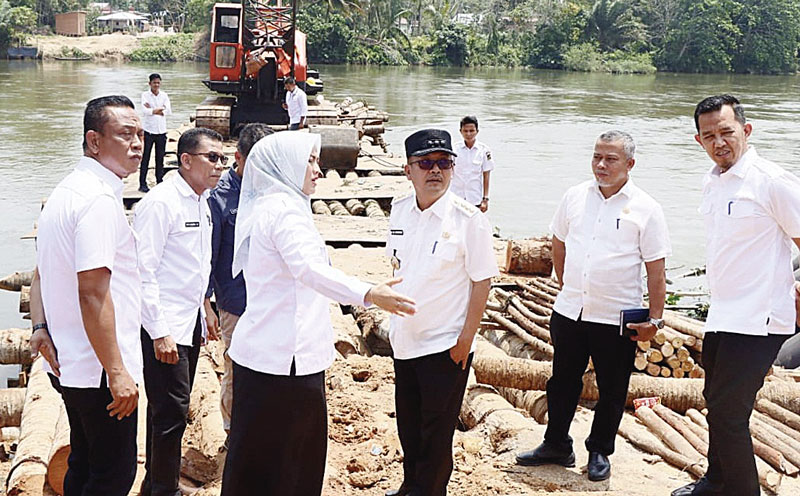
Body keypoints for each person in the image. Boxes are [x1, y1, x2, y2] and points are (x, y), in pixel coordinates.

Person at [220, 132, 415, 496]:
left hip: (264, 354)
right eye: (310, 161)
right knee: (291, 461)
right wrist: (368, 293)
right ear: (286, 165)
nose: (319, 171)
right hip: (284, 361)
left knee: (254, 457)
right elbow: (309, 269)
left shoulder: (273, 204)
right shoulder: (285, 213)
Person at [515, 130, 671, 482]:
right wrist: (565, 283)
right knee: (561, 382)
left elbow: (656, 269)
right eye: (597, 156)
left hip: (617, 316)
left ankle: (599, 450)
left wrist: (656, 320)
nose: (601, 165)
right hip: (571, 310)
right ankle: (556, 443)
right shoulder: (575, 196)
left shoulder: (646, 208)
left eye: (611, 159)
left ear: (630, 164)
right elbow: (558, 241)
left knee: (613, 389)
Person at [671, 95, 800, 496]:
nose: (719, 141)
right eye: (709, 135)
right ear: (698, 141)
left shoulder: (771, 181)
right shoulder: (713, 181)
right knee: (715, 398)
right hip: (724, 314)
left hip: (760, 318)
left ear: (746, 130)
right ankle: (717, 480)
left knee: (729, 411)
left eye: (726, 131)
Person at [35, 95, 143, 495]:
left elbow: (42, 271)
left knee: (84, 464)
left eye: (140, 135)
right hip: (98, 370)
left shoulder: (66, 191)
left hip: (70, 361)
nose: (136, 143)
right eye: (125, 134)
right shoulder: (97, 201)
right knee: (113, 476)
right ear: (94, 141)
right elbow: (93, 295)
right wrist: (117, 372)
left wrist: (40, 324)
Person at [384, 129, 499, 496]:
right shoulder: (399, 212)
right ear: (408, 170)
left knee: (436, 433)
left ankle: (428, 491)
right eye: (426, 163)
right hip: (405, 342)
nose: (436, 171)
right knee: (409, 426)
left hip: (445, 345)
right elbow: (397, 268)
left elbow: (482, 282)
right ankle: (410, 486)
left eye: (444, 163)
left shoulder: (468, 220)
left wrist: (465, 340)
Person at [134, 127, 224, 496]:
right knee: (170, 413)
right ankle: (163, 489)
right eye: (212, 158)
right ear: (186, 160)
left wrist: (206, 308)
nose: (220, 166)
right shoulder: (162, 203)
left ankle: (155, 482)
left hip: (189, 322)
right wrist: (159, 331)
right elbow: (143, 271)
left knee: (171, 409)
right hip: (165, 326)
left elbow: (193, 266)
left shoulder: (200, 200)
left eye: (222, 157)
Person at [205, 123, 273, 433]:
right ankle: (233, 429)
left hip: (270, 299)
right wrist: (206, 304)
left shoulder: (272, 189)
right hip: (235, 300)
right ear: (238, 158)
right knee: (235, 365)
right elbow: (209, 254)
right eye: (256, 163)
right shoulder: (219, 198)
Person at [450, 116, 495, 212]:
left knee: (473, 226)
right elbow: (448, 173)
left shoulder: (484, 150)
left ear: (477, 131)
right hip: (456, 197)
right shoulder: (454, 149)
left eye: (471, 130)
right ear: (460, 131)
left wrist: (485, 199)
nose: (468, 134)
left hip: (475, 198)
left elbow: (486, 175)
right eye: (465, 131)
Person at [139, 73, 172, 192]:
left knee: (160, 158)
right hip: (149, 131)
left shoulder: (164, 95)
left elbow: (168, 110)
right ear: (150, 84)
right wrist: (157, 110)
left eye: (158, 83)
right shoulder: (145, 95)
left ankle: (159, 181)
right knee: (145, 158)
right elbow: (144, 111)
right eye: (154, 83)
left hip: (161, 131)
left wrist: (153, 110)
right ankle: (142, 183)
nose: (156, 85)